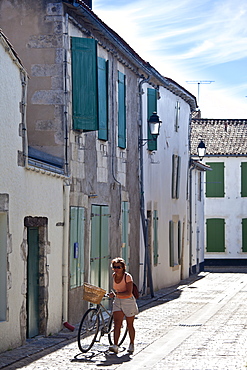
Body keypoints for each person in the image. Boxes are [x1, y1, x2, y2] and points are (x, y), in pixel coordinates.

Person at [108, 257, 139, 354]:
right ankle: (115, 345)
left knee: (130, 325)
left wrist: (116, 294)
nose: (116, 269)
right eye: (114, 267)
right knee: (117, 323)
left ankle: (131, 343)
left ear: (123, 267)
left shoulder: (127, 277)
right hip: (118, 301)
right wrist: (114, 295)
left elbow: (129, 293)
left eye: (118, 267)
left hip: (128, 301)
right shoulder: (113, 276)